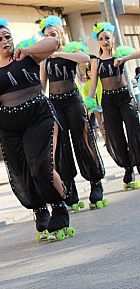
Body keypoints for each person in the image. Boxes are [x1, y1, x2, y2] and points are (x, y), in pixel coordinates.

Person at [0, 17, 71, 241]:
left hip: (38, 116)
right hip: (10, 125)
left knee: (41, 165)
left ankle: (59, 206)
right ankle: (39, 209)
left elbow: (52, 44)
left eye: (7, 36)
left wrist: (27, 48)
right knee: (22, 172)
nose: (5, 41)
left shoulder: (29, 55)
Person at [36, 15, 106, 210]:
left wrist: (59, 54)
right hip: (55, 104)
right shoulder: (44, 59)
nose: (51, 36)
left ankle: (95, 182)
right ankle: (70, 188)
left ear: (60, 35)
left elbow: (85, 59)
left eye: (54, 33)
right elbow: (43, 83)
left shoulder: (71, 50)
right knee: (61, 148)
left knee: (83, 140)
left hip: (73, 101)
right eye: (48, 34)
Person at [86, 22, 140, 190]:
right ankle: (127, 167)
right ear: (98, 41)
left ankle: (138, 162)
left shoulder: (120, 54)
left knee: (134, 129)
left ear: (113, 39)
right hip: (108, 101)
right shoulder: (96, 61)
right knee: (116, 135)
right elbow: (93, 83)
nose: (104, 41)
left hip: (125, 97)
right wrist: (89, 102)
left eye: (107, 38)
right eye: (101, 39)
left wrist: (123, 59)